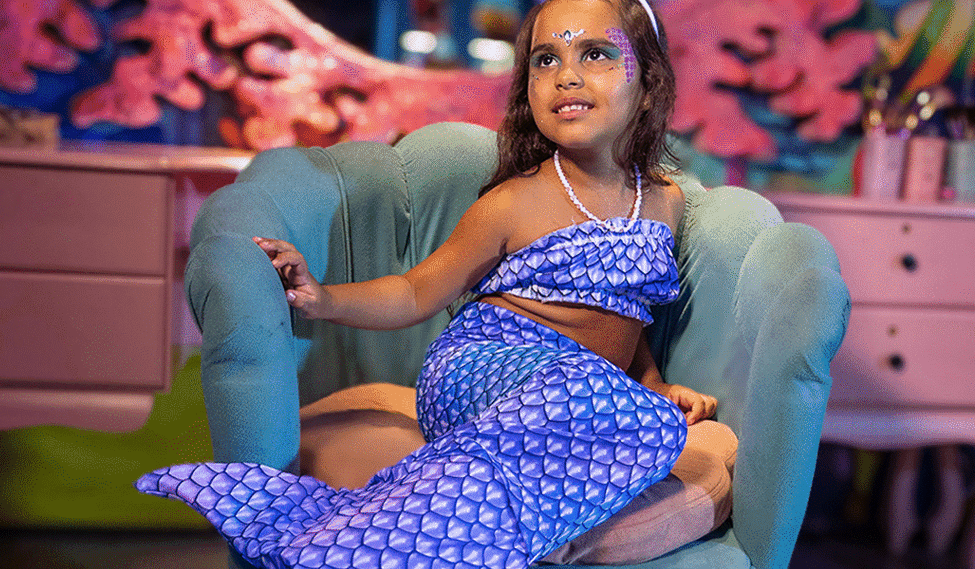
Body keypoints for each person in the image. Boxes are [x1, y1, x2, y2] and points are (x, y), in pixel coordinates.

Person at [136, 0, 719, 567]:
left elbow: (629, 314)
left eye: (595, 54)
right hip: (482, 368)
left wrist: (654, 384)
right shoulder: (515, 202)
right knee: (594, 396)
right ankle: (354, 536)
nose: (566, 75)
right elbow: (414, 292)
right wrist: (322, 297)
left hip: (573, 394)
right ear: (527, 89)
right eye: (546, 60)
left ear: (648, 84)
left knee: (654, 424)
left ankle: (471, 521)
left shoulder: (663, 202)